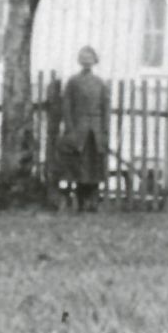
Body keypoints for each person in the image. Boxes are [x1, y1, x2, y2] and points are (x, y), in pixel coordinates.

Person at [57, 46, 112, 212]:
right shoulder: (73, 82)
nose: (87, 61)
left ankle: (93, 202)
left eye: (90, 58)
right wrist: (70, 129)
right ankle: (80, 201)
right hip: (79, 129)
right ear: (79, 60)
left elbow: (106, 108)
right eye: (84, 57)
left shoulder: (100, 83)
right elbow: (66, 106)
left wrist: (104, 130)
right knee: (79, 166)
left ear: (95, 60)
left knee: (95, 166)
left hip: (95, 131)